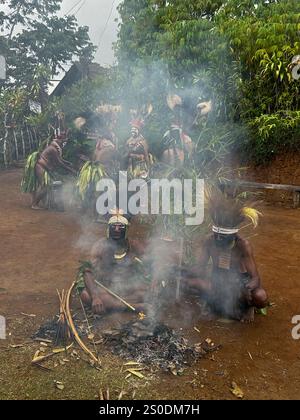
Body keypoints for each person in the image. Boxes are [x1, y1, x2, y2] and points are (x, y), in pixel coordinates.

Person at [184, 190, 268, 323]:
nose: (217, 239)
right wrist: (184, 272)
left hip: (239, 284)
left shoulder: (243, 245)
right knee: (189, 283)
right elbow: (200, 268)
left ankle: (246, 308)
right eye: (216, 235)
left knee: (260, 296)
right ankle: (216, 306)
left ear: (233, 236)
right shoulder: (209, 241)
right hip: (218, 283)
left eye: (222, 237)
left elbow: (255, 278)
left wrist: (246, 288)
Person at [76, 210, 151, 314]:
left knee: (150, 292)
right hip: (107, 288)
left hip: (128, 286)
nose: (116, 230)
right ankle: (134, 307)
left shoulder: (133, 245)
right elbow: (87, 271)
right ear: (108, 229)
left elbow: (151, 261)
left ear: (126, 230)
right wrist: (95, 297)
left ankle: (117, 304)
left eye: (120, 227)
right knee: (86, 295)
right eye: (113, 227)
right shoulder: (100, 246)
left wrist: (155, 280)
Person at [22, 132, 76, 210]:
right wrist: (70, 169)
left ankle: (38, 202)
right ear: (59, 140)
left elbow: (60, 160)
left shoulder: (55, 148)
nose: (63, 143)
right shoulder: (53, 149)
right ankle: (34, 204)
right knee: (45, 186)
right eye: (63, 141)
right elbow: (59, 162)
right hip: (40, 167)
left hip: (43, 167)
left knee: (45, 185)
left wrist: (68, 163)